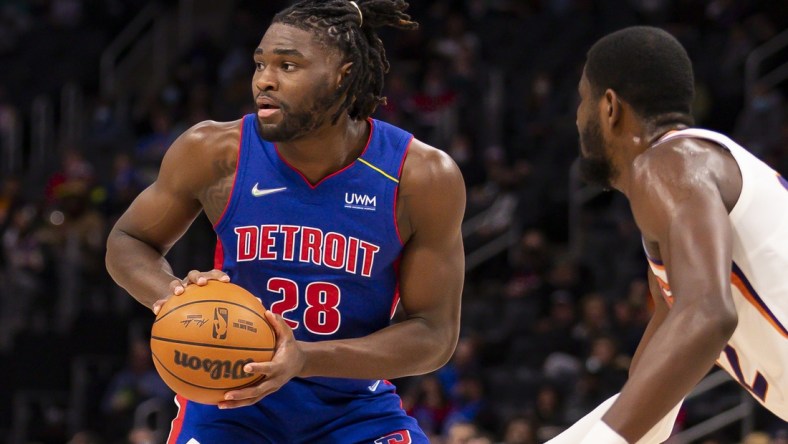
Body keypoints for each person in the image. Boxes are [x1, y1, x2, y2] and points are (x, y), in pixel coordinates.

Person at [105, 1, 466, 443]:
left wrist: (305, 358)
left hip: (352, 409)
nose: (264, 80)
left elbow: (434, 333)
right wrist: (177, 298)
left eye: (288, 65)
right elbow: (128, 240)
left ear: (343, 74)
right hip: (229, 400)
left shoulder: (420, 176)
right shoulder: (213, 151)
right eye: (260, 63)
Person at [548, 26, 788, 443]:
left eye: (582, 98)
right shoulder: (684, 192)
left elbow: (709, 314)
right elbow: (652, 398)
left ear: (609, 107)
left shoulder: (671, 164)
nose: (577, 116)